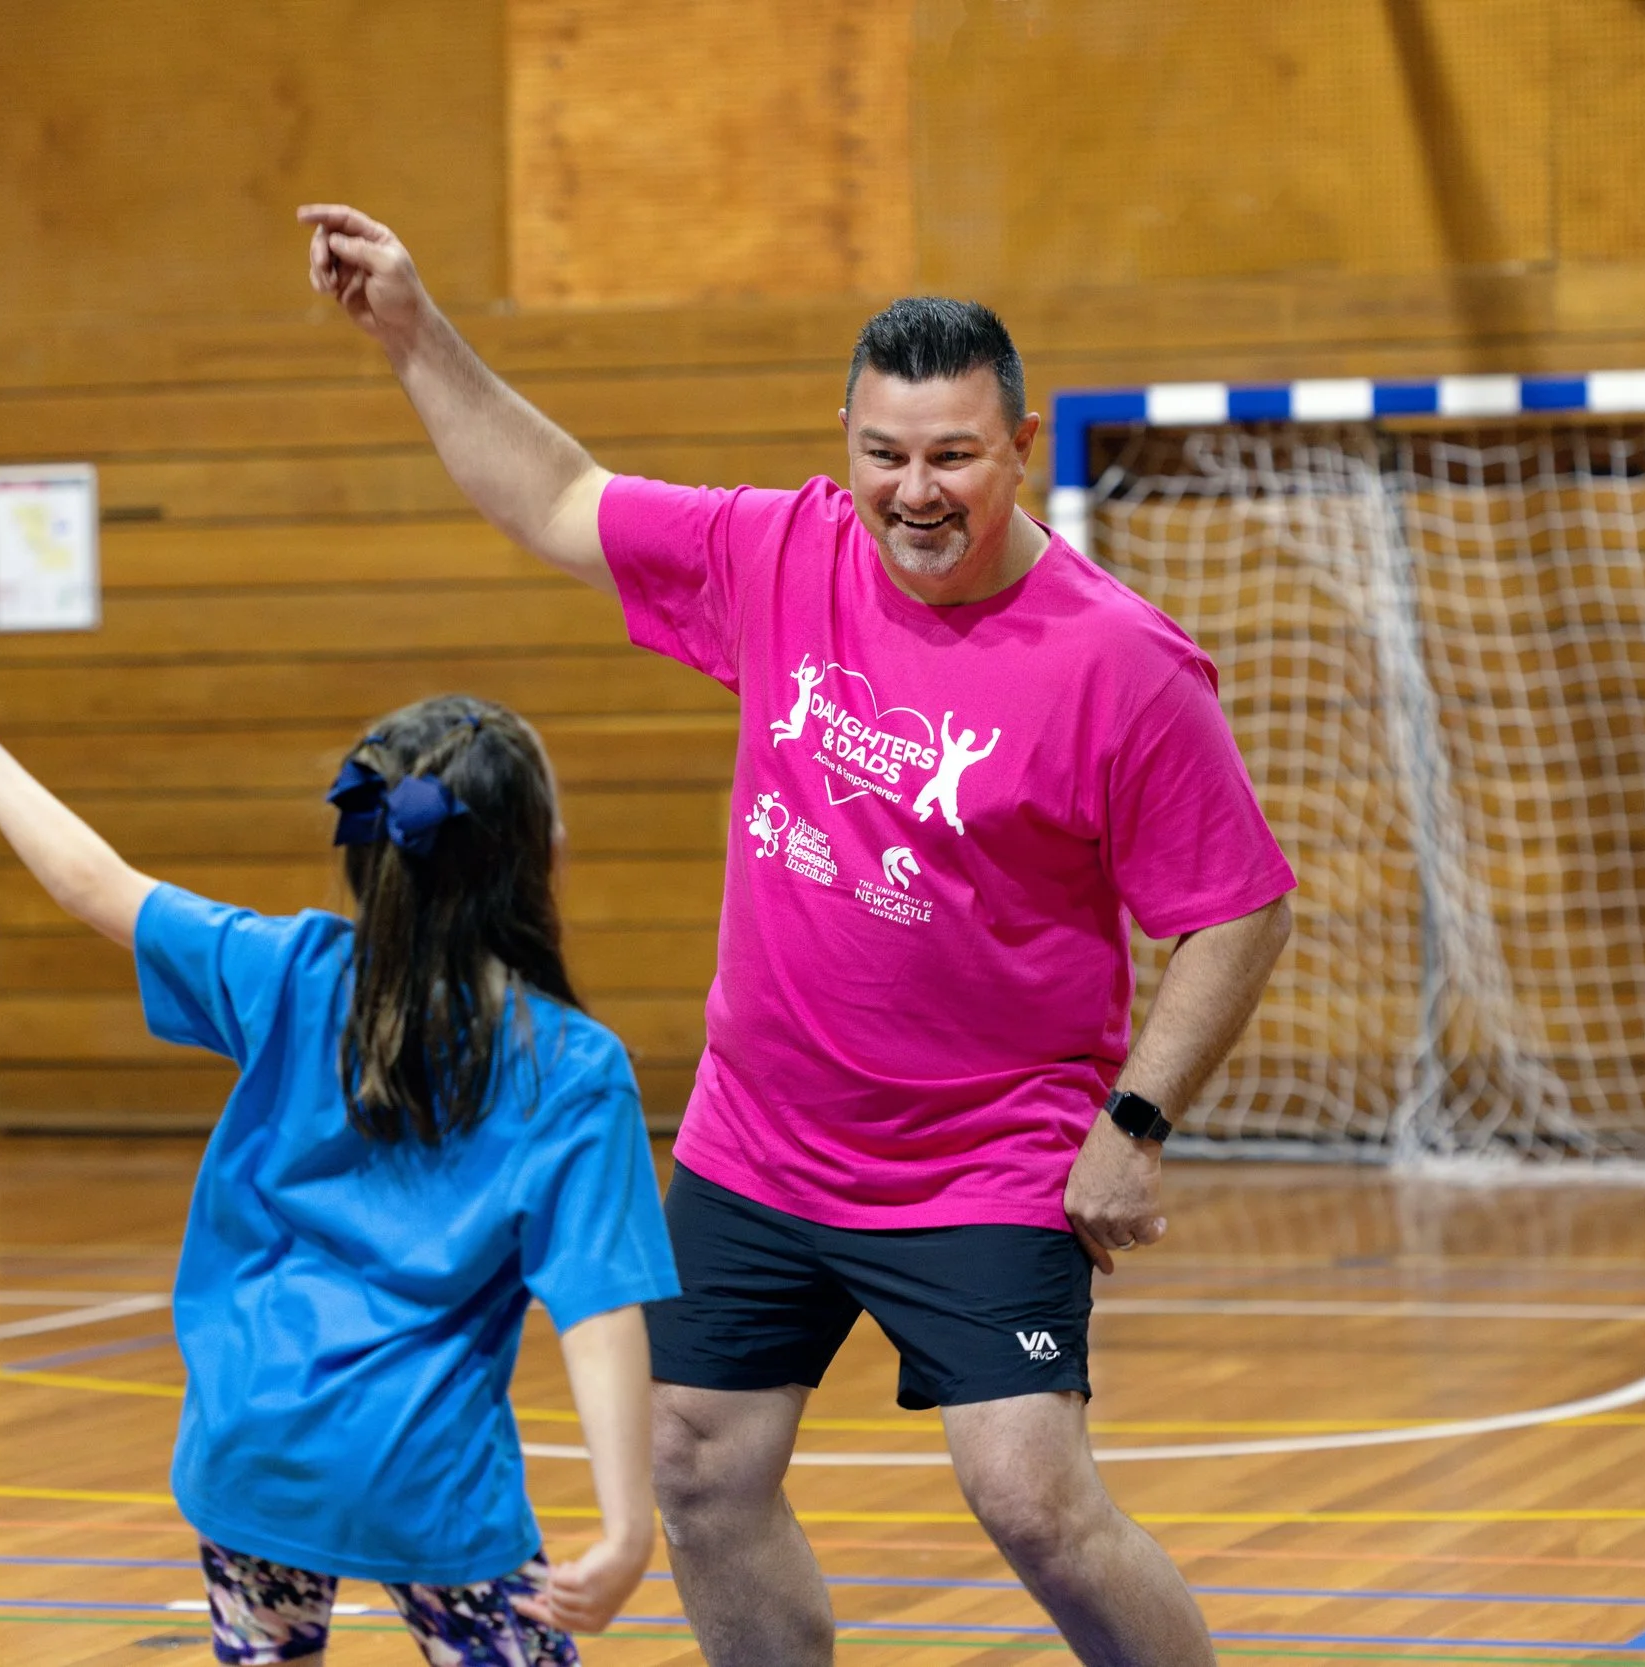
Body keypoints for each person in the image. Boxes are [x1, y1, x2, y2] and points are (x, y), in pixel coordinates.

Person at [299, 202, 1297, 1667]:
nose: (915, 490)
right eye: (884, 452)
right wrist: (410, 332)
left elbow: (1237, 907)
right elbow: (556, 496)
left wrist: (1135, 1118)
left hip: (986, 1150)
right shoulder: (778, 555)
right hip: (758, 1139)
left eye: (953, 453)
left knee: (1029, 1492)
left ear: (1022, 440)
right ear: (844, 435)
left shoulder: (1123, 664)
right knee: (696, 1466)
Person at [0, 670, 678, 1667]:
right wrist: (629, 1527)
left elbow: (91, 881)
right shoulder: (574, 1068)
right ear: (537, 858)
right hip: (425, 1473)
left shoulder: (286, 970)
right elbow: (598, 1309)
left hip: (249, 1448)